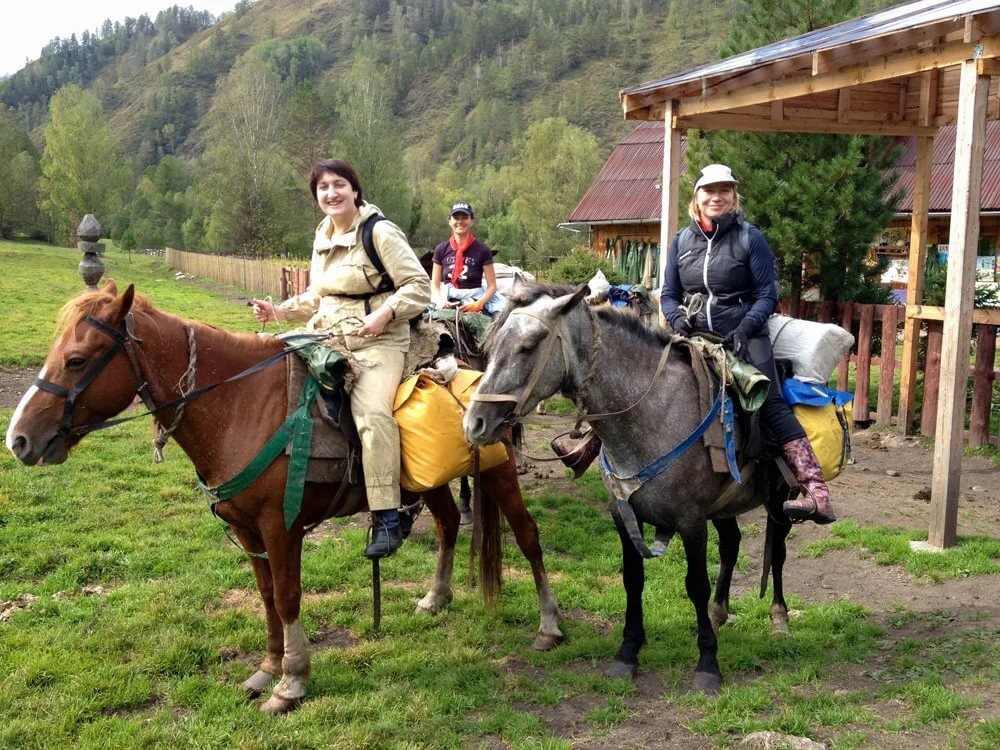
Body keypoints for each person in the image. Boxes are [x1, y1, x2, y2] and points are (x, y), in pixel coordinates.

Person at [251, 159, 432, 558]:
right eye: (323, 188)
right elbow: (320, 294)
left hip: (378, 341)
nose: (331, 193)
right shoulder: (322, 235)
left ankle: (389, 512)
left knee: (373, 416)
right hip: (328, 333)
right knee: (271, 375)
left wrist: (385, 314)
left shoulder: (380, 232)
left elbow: (419, 286)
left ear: (355, 189)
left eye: (339, 185)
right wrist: (278, 311)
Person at [659, 163, 835, 525]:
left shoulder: (749, 238)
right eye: (709, 190)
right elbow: (669, 293)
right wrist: (677, 319)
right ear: (697, 197)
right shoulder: (682, 241)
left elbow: (767, 294)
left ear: (733, 196)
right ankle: (598, 451)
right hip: (692, 336)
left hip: (744, 337)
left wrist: (746, 327)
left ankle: (816, 490)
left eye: (724, 190)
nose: (716, 197)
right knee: (649, 383)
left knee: (768, 400)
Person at [430, 201, 504, 316]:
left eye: (464, 217)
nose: (460, 221)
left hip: (475, 298)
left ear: (472, 221)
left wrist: (478, 304)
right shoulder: (441, 249)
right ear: (450, 221)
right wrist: (440, 301)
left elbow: (492, 287)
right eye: (456, 218)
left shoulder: (483, 250)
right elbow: (435, 284)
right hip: (446, 297)